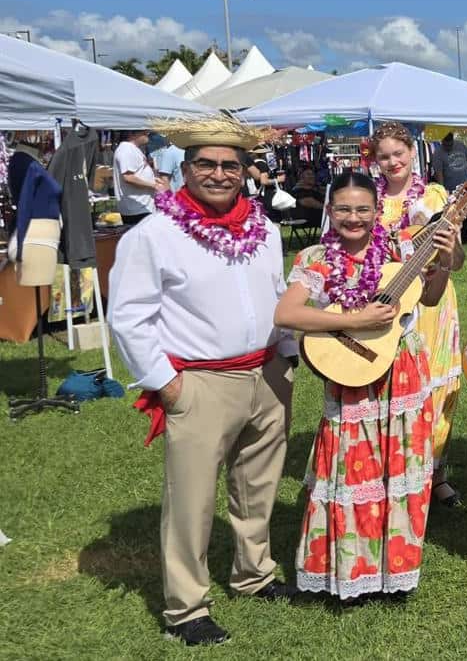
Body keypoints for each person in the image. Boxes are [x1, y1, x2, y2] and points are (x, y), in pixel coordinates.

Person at [109, 117, 298, 646]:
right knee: (191, 499)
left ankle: (254, 574)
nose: (218, 174)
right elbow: (128, 316)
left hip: (267, 374)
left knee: (258, 485)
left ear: (244, 171)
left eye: (229, 165)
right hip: (198, 383)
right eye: (206, 164)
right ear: (185, 168)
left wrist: (285, 355)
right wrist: (165, 384)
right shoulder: (154, 233)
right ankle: (186, 607)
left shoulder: (266, 230)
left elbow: (279, 294)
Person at [276, 171, 455, 602]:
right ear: (329, 211)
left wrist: (445, 264)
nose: (353, 218)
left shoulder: (399, 248)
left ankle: (396, 572)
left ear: (377, 211)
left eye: (362, 209)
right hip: (350, 374)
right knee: (350, 467)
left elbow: (427, 299)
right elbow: (287, 314)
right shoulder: (316, 257)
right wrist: (352, 321)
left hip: (403, 369)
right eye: (343, 209)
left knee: (401, 469)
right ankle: (350, 570)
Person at [371, 121, 467, 508]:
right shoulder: (370, 199)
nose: (392, 162)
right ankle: (392, 470)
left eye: (398, 153)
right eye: (384, 156)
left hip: (434, 300)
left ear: (413, 153)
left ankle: (436, 473)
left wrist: (444, 251)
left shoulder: (435, 195)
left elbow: (457, 260)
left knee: (438, 388)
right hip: (387, 303)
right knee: (388, 388)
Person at [113, 129, 160, 225]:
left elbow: (137, 173)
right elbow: (128, 177)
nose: (147, 133)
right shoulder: (126, 149)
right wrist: (153, 185)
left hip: (142, 207)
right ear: (131, 134)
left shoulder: (132, 148)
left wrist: (153, 179)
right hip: (136, 208)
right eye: (143, 132)